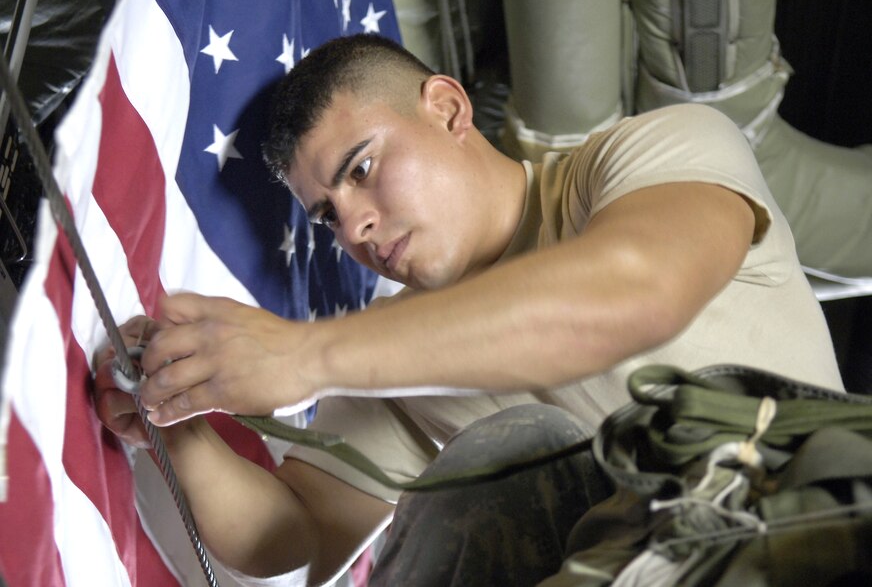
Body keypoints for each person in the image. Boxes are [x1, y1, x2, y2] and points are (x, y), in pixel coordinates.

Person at [94, 33, 844, 586]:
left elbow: (634, 290)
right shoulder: (397, 358)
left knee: (515, 443)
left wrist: (301, 353)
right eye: (327, 215)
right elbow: (293, 535)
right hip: (619, 568)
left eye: (363, 168)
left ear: (449, 110)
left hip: (803, 546)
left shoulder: (643, 157)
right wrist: (180, 414)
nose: (352, 227)